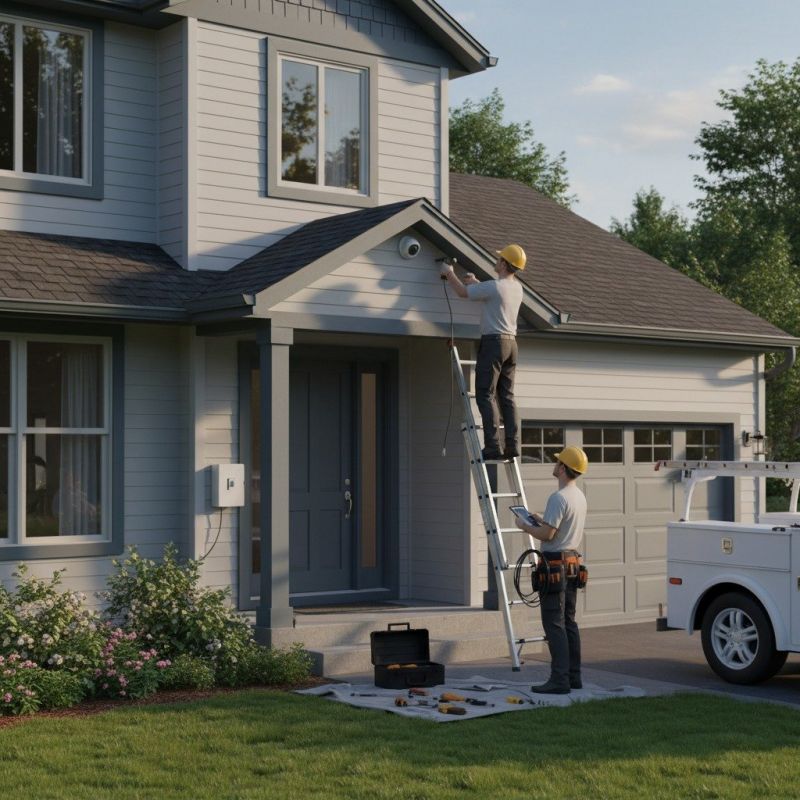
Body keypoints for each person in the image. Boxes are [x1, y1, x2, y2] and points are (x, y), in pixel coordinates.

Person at [440, 244, 526, 461]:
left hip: (494, 343)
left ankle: (492, 447)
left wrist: (448, 272)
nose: (495, 261)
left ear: (504, 264)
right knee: (506, 396)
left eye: (499, 259)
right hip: (511, 344)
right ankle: (512, 445)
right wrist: (478, 284)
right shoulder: (516, 288)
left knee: (485, 395)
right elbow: (493, 294)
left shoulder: (494, 287)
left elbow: (461, 292)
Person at [515, 446, 589, 694]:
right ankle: (573, 677)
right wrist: (540, 518)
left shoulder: (558, 498)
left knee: (553, 623)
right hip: (571, 564)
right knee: (568, 622)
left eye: (558, 461)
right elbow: (556, 525)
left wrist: (524, 526)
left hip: (555, 565)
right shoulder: (578, 496)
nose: (555, 463)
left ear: (564, 469)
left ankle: (559, 680)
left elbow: (547, 534)